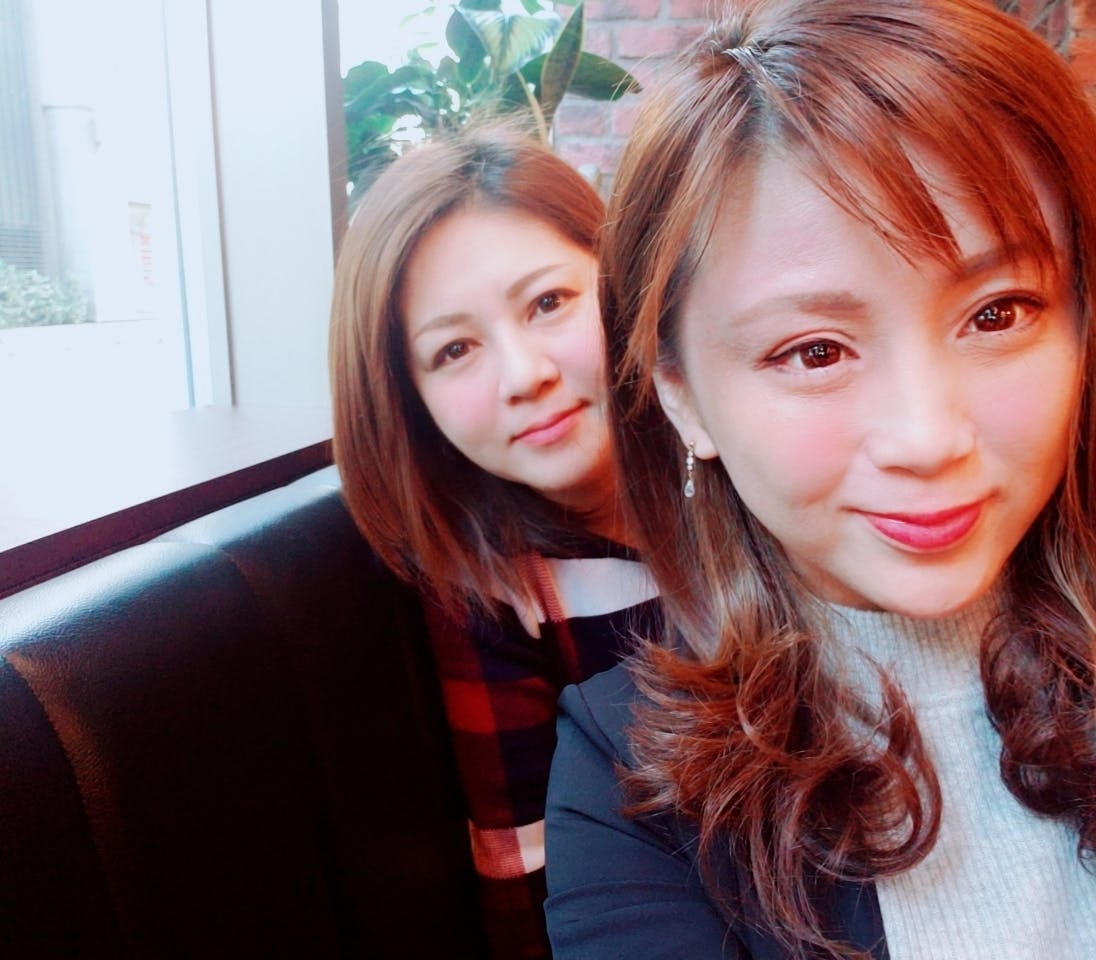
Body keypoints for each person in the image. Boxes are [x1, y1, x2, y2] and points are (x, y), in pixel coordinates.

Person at [544, 1, 1096, 957]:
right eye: (814, 351)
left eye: (998, 313)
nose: (927, 439)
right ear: (682, 396)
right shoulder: (625, 777)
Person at [328, 123, 657, 959]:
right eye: (455, 350)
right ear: (409, 399)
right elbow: (534, 880)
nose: (524, 375)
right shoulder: (495, 592)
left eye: (549, 303)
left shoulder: (755, 469)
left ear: (623, 278)